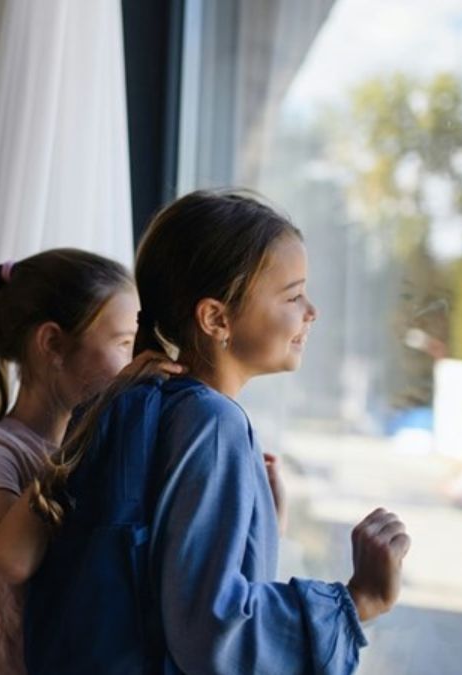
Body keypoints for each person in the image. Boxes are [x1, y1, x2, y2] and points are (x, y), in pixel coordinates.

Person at [26, 190, 412, 674]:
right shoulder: (212, 423)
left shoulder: (130, 401)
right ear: (215, 318)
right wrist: (357, 602)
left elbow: (154, 579)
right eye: (293, 295)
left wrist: (261, 524)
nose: (311, 311)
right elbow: (209, 632)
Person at [0, 249, 182, 674]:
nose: (133, 361)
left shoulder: (90, 451)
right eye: (123, 344)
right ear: (52, 345)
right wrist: (102, 416)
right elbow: (15, 558)